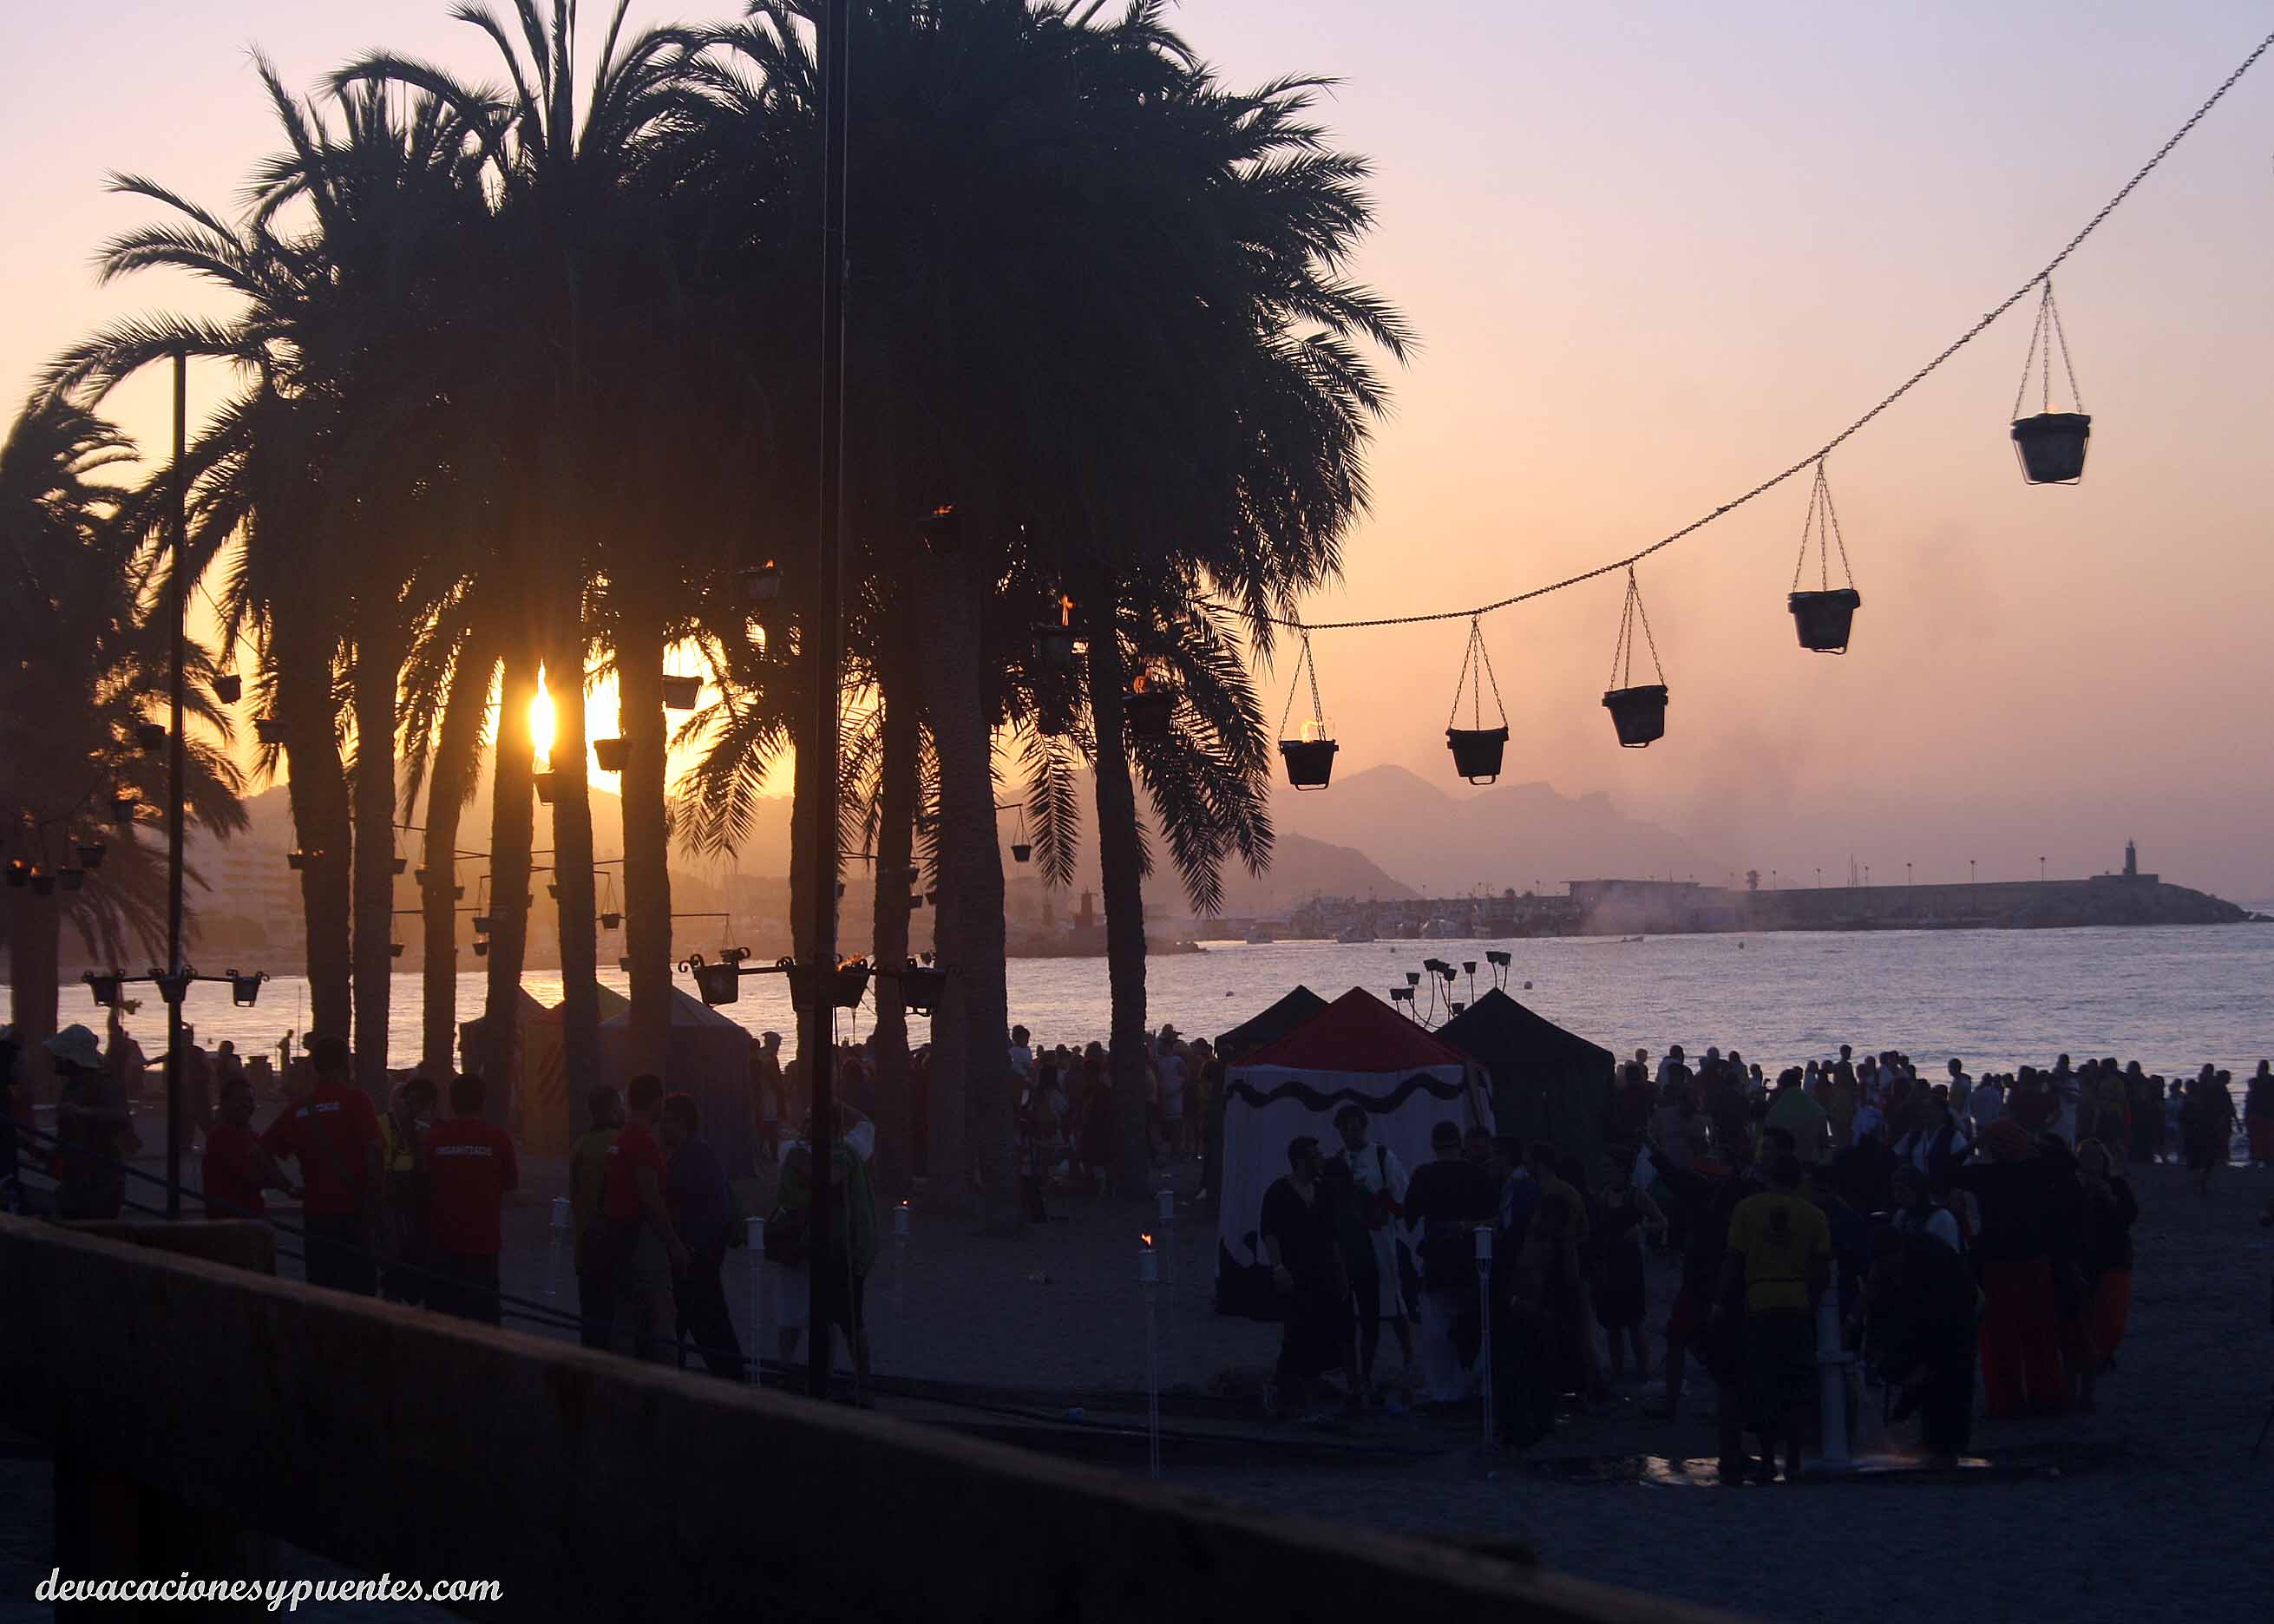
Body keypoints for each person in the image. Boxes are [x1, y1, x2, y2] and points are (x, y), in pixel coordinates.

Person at [1717, 1154, 1831, 1482]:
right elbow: (1822, 1270)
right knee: (1796, 1384)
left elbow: (1734, 1261)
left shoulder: (1746, 1210)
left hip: (1760, 1301)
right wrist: (1810, 1302)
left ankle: (1768, 1459)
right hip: (1797, 1302)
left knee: (1763, 1383)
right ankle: (1793, 1458)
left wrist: (1721, 1302)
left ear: (1767, 1178)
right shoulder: (1814, 1215)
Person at [1951, 1119, 2066, 1418]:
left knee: (1999, 1335)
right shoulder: (2036, 1171)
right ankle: (2046, 1395)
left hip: (1996, 1259)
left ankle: (2006, 1399)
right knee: (2039, 1330)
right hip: (2033, 1256)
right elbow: (2066, 1162)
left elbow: (1944, 1171)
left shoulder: (1985, 1175)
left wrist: (1973, 1143)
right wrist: (2030, 1139)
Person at [259, 1034, 383, 1293]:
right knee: (360, 1290)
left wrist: (287, 1187)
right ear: (345, 1064)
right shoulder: (356, 1101)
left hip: (317, 1213)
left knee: (322, 1288)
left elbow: (261, 1153)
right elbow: (374, 1149)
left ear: (315, 1067)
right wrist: (375, 1195)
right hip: (354, 1210)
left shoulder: (300, 1109)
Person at [1261, 1136, 1360, 1419]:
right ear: (1301, 1161)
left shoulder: (1323, 1192)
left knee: (1322, 1331)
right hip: (1295, 1273)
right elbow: (1270, 1232)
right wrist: (1278, 1267)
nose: (1321, 1160)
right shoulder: (1279, 1192)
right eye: (1315, 1156)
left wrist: (1340, 1272)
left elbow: (1331, 1237)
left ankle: (1311, 1391)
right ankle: (1282, 1390)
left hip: (1323, 1272)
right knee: (1296, 1332)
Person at [590, 1074, 687, 1360]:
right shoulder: (641, 1141)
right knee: (662, 1315)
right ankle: (663, 1377)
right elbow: (650, 1197)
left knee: (626, 1315)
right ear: (655, 1101)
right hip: (641, 1239)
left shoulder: (621, 1139)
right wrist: (673, 1243)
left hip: (619, 1236)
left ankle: (622, 1376)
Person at [1402, 1121, 1497, 1405]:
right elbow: (1493, 1218)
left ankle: (1444, 1391)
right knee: (1474, 1326)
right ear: (1460, 1144)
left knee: (1438, 1331)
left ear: (1434, 1145)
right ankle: (1473, 1384)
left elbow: (1409, 1218)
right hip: (1471, 1261)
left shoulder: (1423, 1176)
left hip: (1438, 1262)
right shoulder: (1477, 1175)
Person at [1867, 1225, 1978, 1468]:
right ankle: (1932, 1440)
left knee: (1952, 1382)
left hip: (1956, 1318)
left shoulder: (1933, 1263)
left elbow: (1946, 1320)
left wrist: (1928, 1362)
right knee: (1927, 1382)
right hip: (1927, 1320)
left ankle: (1949, 1446)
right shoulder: (1891, 1269)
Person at [659, 1092, 745, 1380]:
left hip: (695, 1258)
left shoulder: (694, 1157)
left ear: (682, 1123)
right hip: (694, 1256)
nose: (662, 1127)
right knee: (687, 1325)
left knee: (709, 1327)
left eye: (668, 1121)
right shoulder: (694, 1154)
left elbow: (709, 1211)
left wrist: (695, 1249)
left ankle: (733, 1386)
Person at [1332, 1104, 1415, 1391]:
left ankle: (1409, 1356)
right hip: (1350, 1245)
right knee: (1350, 1305)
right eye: (1346, 1129)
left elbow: (1401, 1195)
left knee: (1392, 1297)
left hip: (1380, 1240)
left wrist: (1381, 1205)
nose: (1351, 1133)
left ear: (1364, 1127)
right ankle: (1354, 1368)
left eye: (1355, 1128)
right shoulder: (1338, 1161)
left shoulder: (1382, 1156)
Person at [424, 1073, 518, 1325]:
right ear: (483, 1101)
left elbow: (423, 1182)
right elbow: (510, 1185)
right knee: (482, 1323)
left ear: (451, 1102)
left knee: (440, 1322)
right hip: (483, 1244)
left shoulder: (434, 1138)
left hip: (442, 1242)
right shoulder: (498, 1139)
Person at [49, 1024, 137, 1221]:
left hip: (99, 1174)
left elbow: (119, 1116)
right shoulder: (73, 1085)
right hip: (77, 1173)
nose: (53, 1060)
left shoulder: (103, 1082)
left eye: (58, 1056)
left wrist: (83, 1113)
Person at [1590, 1151, 1664, 1383]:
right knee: (1612, 1323)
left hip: (1629, 1263)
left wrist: (1640, 1230)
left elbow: (1661, 1221)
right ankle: (1617, 1371)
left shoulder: (1636, 1194)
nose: (1604, 1170)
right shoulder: (1603, 1195)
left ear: (1621, 1168)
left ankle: (1643, 1371)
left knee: (1634, 1322)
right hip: (1609, 1262)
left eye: (1608, 1165)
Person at [2074, 1137, 2137, 1371]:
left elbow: (2129, 1216)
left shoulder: (2117, 1184)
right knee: (2085, 1311)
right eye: (2085, 1157)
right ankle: (2091, 1354)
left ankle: (2104, 1352)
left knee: (2113, 1314)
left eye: (2095, 1157)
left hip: (2114, 1257)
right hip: (2083, 1257)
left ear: (2104, 1160)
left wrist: (2109, 1197)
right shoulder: (2073, 1186)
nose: (2090, 1162)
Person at [569, 1085, 624, 1349]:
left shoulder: (580, 1145)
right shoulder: (619, 1142)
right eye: (620, 1105)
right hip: (613, 1247)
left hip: (585, 1244)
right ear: (612, 1110)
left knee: (591, 1322)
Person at [201, 1071, 296, 1220]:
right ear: (224, 1104)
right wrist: (286, 1187)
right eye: (239, 1100)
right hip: (231, 1220)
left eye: (250, 1100)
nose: (246, 1105)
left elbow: (268, 1164)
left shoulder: (251, 1135)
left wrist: (287, 1186)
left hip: (250, 1217)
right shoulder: (221, 1138)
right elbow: (253, 1175)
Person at [379, 1076, 438, 1304]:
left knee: (402, 1263)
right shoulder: (388, 1126)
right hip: (401, 1203)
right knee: (400, 1264)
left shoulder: (423, 1130)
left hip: (405, 1204)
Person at [2179, 1065, 2236, 1196]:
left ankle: (2200, 1181)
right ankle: (2200, 1181)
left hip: (2206, 1126)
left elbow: (2223, 1108)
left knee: (2203, 1157)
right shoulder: (2211, 1089)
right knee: (2204, 1156)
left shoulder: (2209, 1089)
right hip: (2205, 1127)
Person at [1763, 1068, 1831, 1165]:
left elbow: (1768, 1143)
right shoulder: (1816, 1109)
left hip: (1784, 1164)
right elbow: (1824, 1143)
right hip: (1812, 1162)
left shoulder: (1775, 1112)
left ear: (1781, 1086)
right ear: (1799, 1083)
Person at [1890, 1164, 1962, 1251]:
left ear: (1916, 1190)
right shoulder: (1901, 1216)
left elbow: (1951, 1255)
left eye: (1902, 1190)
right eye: (1895, 1190)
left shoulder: (1942, 1218)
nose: (1896, 1196)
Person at [2248, 1063, 2274, 1169]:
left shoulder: (2257, 1082)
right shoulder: (2269, 1081)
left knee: (2259, 1138)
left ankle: (2258, 1160)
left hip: (2260, 1114)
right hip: (2267, 1114)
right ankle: (2267, 1160)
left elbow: (2252, 1099)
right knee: (2266, 1138)